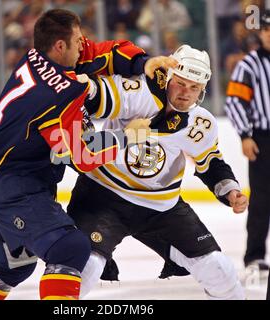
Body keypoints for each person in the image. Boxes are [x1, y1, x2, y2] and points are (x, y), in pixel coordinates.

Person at [0, 9, 170, 300]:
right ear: (60, 46)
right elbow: (82, 155)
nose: (82, 44)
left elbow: (101, 52)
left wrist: (144, 62)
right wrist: (128, 135)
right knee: (69, 248)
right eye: (77, 40)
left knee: (12, 266)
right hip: (14, 188)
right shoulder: (57, 96)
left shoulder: (39, 56)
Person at [67, 45, 248, 300]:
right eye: (181, 84)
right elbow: (95, 96)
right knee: (82, 270)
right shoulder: (139, 90)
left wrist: (230, 190)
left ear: (202, 91)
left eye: (194, 88)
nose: (186, 93)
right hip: (103, 196)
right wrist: (81, 85)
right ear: (169, 78)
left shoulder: (201, 124)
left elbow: (211, 161)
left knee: (220, 270)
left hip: (161, 207)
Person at [225, 10, 270, 278]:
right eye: (265, 30)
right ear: (260, 33)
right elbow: (234, 102)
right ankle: (255, 255)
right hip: (264, 139)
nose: (269, 34)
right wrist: (244, 135)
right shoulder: (249, 65)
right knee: (262, 201)